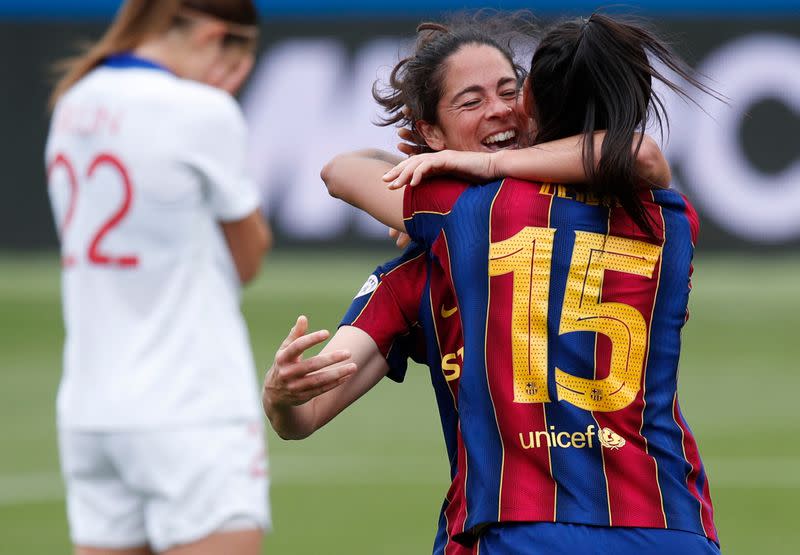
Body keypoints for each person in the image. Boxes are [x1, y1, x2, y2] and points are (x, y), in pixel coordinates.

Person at [263, 14, 717, 555]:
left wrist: (439, 175)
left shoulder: (464, 211)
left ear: (535, 105)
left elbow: (341, 171)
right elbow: (640, 155)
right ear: (431, 131)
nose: (500, 109)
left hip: (515, 529)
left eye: (509, 90)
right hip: (670, 520)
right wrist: (284, 400)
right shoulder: (672, 218)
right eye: (471, 101)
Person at [46, 2, 271, 554]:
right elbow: (249, 260)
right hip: (190, 407)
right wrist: (220, 103)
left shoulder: (73, 100)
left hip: (90, 409)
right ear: (217, 37)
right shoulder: (201, 111)